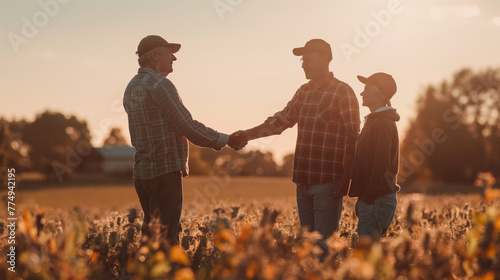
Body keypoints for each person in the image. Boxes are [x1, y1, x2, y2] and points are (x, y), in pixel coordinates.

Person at [235, 39, 360, 258]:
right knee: (307, 247)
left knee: (324, 248)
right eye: (302, 60)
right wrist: (247, 134)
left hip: (328, 182)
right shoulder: (303, 91)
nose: (303, 65)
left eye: (308, 59)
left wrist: (346, 178)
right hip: (302, 181)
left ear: (325, 58)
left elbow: (353, 137)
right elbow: (280, 121)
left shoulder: (343, 92)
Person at [123, 35, 246, 244]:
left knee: (153, 233)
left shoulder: (131, 87)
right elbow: (188, 126)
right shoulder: (160, 85)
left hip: (143, 174)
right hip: (164, 171)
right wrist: (225, 139)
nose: (174, 58)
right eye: (169, 52)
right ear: (154, 55)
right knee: (166, 238)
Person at [349, 72, 400, 240]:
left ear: (378, 94)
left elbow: (381, 165)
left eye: (366, 88)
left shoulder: (382, 123)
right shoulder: (376, 121)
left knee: (365, 256)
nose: (362, 93)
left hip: (376, 200)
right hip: (374, 200)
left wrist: (369, 197)